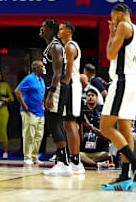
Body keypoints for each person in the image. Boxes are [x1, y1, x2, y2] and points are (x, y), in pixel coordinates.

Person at [99, 3, 136, 192]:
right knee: (124, 128)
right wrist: (133, 76)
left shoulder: (122, 26)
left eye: (112, 16)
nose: (111, 20)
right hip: (131, 82)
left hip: (122, 81)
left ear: (120, 15)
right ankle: (124, 175)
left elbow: (110, 54)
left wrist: (111, 34)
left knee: (105, 126)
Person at [39, 19, 72, 176]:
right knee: (54, 123)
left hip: (58, 87)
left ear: (52, 29)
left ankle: (64, 162)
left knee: (54, 123)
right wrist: (46, 93)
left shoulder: (56, 46)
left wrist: (51, 92)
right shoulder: (50, 46)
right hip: (53, 87)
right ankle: (63, 160)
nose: (41, 29)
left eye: (44, 27)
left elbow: (58, 73)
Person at [58, 21, 85, 174]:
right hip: (72, 86)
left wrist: (62, 88)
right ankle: (73, 159)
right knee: (68, 124)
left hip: (71, 86)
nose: (58, 31)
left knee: (70, 123)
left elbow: (68, 72)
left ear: (69, 31)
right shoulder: (68, 46)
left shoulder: (69, 46)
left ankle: (75, 160)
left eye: (61, 29)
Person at [14, 60, 45, 165]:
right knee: (29, 135)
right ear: (36, 68)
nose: (43, 68)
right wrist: (23, 105)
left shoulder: (41, 80)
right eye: (41, 66)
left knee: (38, 136)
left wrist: (43, 105)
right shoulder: (29, 79)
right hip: (30, 112)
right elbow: (17, 91)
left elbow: (43, 93)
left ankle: (34, 156)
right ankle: (27, 157)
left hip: (40, 112)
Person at [79, 88, 111, 168]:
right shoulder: (82, 113)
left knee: (108, 155)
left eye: (92, 95)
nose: (90, 97)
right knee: (77, 155)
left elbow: (106, 138)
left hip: (99, 152)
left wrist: (90, 126)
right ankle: (96, 164)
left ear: (97, 98)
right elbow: (81, 139)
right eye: (88, 95)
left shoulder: (102, 114)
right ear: (85, 98)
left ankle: (89, 163)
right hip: (85, 152)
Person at [0, 70, 14, 159]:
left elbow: (11, 98)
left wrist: (6, 99)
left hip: (3, 110)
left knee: (3, 131)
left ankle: (5, 152)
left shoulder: (5, 85)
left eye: (0, 74)